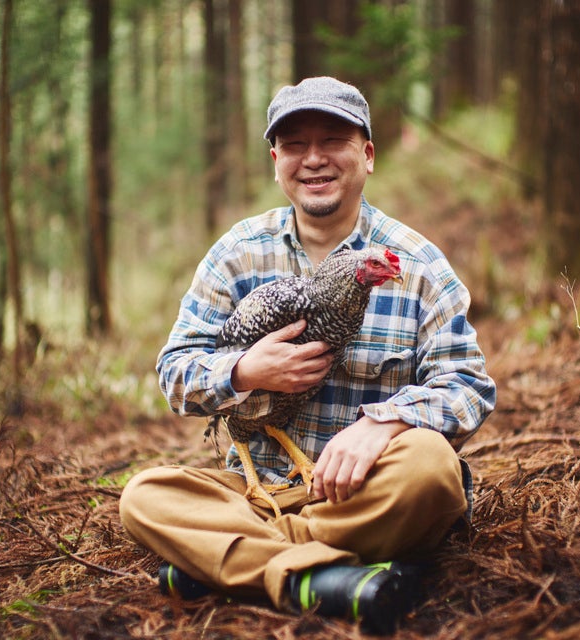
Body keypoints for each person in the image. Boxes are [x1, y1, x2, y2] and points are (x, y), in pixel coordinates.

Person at [119, 76, 496, 635]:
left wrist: (384, 423)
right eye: (295, 144)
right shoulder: (237, 254)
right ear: (276, 161)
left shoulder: (415, 263)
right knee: (142, 497)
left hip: (364, 493)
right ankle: (322, 575)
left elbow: (469, 386)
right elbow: (175, 372)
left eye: (333, 141)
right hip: (258, 492)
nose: (313, 159)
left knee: (434, 470)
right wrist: (245, 371)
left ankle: (236, 564)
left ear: (367, 155)